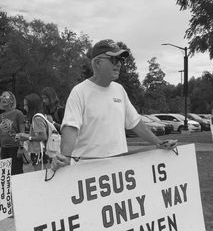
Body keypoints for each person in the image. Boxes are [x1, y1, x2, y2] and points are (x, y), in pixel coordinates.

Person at [53, 39, 177, 170]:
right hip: (87, 171)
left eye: (121, 60)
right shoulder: (79, 92)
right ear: (97, 63)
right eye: (114, 60)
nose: (119, 64)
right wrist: (65, 158)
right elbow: (70, 129)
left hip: (118, 170)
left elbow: (136, 123)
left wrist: (159, 143)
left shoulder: (119, 90)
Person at [15, 93, 51, 171]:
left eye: (26, 105)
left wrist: (28, 137)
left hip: (39, 153)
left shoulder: (36, 118)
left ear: (32, 105)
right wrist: (25, 135)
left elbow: (43, 136)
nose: (24, 108)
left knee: (41, 177)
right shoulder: (40, 116)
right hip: (40, 151)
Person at [0, 91, 25, 175]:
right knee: (5, 175)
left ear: (11, 100)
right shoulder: (1, 116)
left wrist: (21, 148)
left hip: (15, 148)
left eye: (5, 96)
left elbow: (22, 132)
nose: (2, 98)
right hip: (4, 149)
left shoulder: (18, 113)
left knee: (16, 173)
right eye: (2, 96)